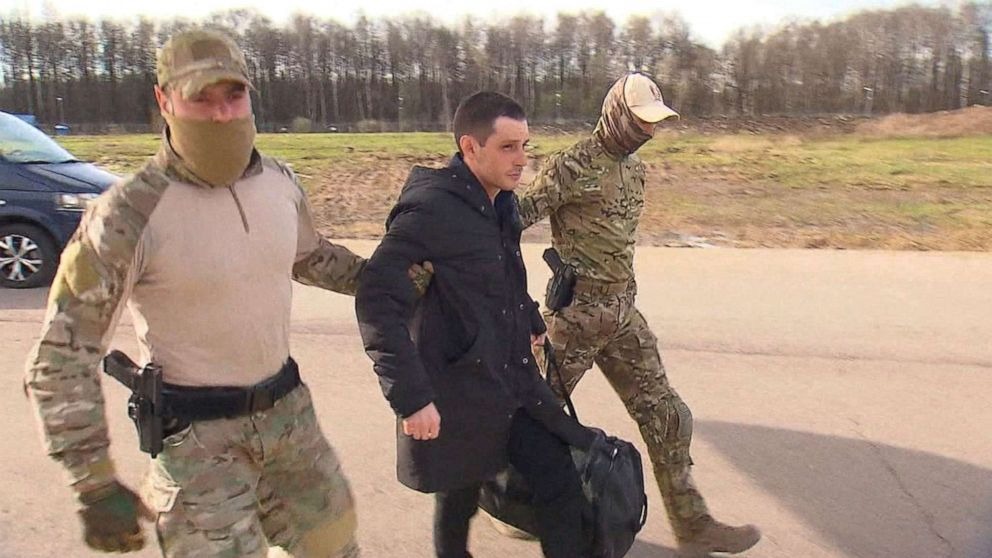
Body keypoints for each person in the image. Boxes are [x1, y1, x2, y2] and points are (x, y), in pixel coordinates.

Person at [21, 29, 425, 557]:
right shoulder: (127, 215)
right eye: (201, 99)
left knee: (335, 547)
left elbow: (309, 257)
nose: (221, 113)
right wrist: (92, 481)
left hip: (289, 422)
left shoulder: (278, 181)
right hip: (197, 442)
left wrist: (399, 282)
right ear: (165, 101)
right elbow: (60, 357)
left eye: (232, 96)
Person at [517, 72, 762, 557]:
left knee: (669, 416)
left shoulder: (635, 171)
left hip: (623, 315)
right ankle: (507, 504)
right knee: (528, 421)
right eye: (640, 122)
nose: (647, 133)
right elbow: (513, 220)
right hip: (575, 319)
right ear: (616, 114)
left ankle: (692, 526)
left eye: (653, 124)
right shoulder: (571, 165)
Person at [355, 91, 593, 558]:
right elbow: (377, 300)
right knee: (459, 496)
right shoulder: (430, 211)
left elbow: (500, 272)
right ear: (470, 147)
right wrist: (412, 398)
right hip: (458, 389)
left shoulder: (499, 202)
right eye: (508, 147)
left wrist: (527, 315)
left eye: (525, 146)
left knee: (559, 478)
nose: (523, 159)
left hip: (511, 382)